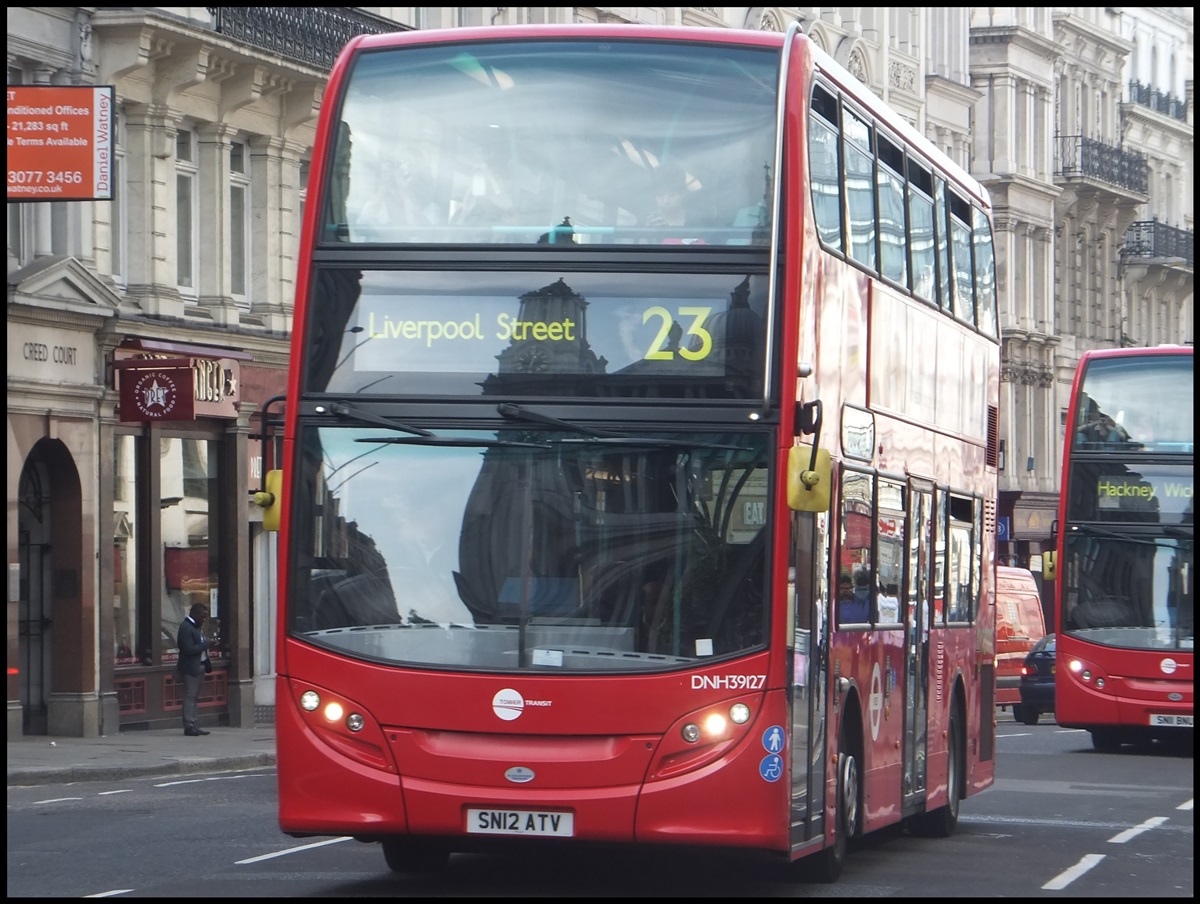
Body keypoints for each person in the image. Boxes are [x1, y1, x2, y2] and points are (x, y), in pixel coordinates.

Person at [176, 602, 212, 736]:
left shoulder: (196, 627)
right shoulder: (186, 627)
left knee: (195, 696)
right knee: (190, 695)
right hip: (190, 668)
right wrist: (205, 645)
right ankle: (189, 725)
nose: (204, 620)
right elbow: (187, 649)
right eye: (202, 617)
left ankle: (194, 723)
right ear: (195, 614)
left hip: (199, 666)